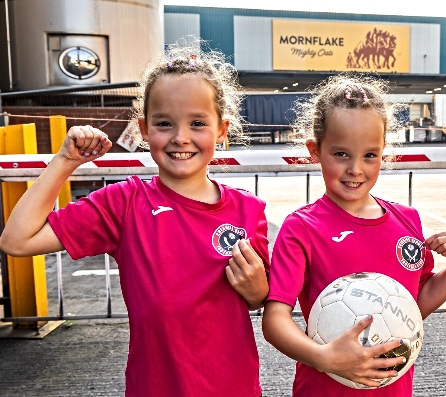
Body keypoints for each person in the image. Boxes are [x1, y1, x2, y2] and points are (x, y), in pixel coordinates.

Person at [0, 48, 270, 397]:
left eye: (198, 123)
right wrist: (65, 162)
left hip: (235, 388)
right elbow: (16, 240)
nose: (180, 137)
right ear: (143, 129)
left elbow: (260, 299)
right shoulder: (123, 204)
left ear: (222, 130)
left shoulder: (249, 210)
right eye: (164, 123)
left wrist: (257, 290)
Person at [261, 74, 446, 396]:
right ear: (315, 150)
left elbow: (415, 305)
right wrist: (323, 357)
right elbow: (275, 320)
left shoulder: (408, 221)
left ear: (383, 152)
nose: (356, 169)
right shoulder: (302, 228)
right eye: (341, 154)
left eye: (369, 155)